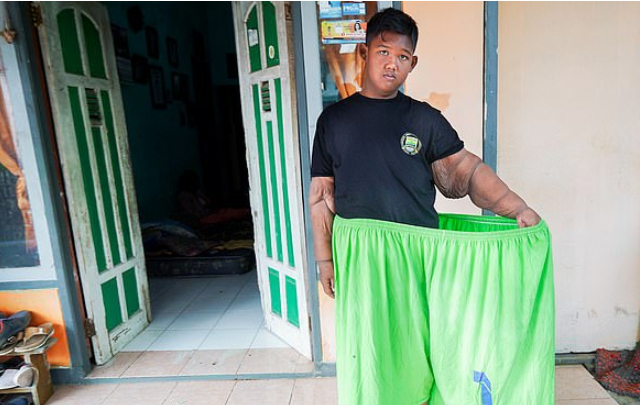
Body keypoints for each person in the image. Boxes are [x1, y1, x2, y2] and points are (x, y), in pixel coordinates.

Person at [310, 8, 544, 405]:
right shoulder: (334, 120)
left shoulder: (424, 119)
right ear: (365, 54)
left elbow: (467, 172)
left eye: (402, 57)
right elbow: (321, 195)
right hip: (361, 255)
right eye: (383, 51)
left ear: (412, 63)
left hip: (421, 253)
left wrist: (515, 206)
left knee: (423, 338)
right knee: (371, 345)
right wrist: (324, 260)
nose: (392, 63)